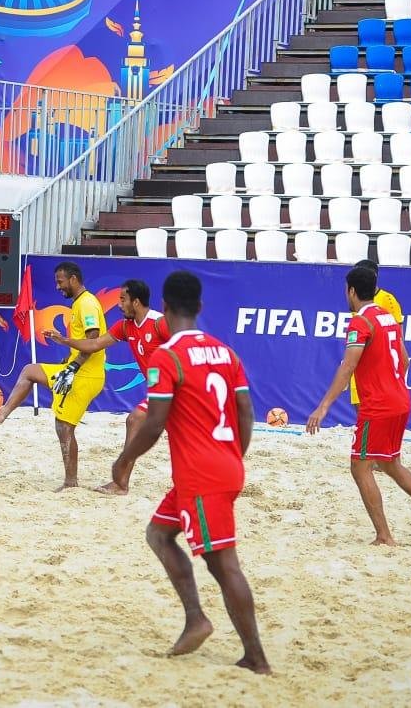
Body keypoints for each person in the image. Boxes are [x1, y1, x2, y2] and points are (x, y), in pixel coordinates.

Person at [110, 271, 270, 673]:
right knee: (158, 534)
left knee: (223, 565)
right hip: (221, 465)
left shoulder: (167, 356)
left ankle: (256, 658)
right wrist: (234, 456)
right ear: (199, 307)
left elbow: (154, 423)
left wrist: (124, 460)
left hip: (201, 474)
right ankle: (195, 619)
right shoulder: (225, 352)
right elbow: (246, 412)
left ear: (164, 307)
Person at [307, 266, 411, 547]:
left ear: (351, 291)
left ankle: (384, 535)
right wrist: (390, 384)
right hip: (400, 400)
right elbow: (405, 360)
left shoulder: (360, 322)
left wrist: (323, 407)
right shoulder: (386, 317)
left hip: (379, 405)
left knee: (359, 466)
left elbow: (347, 367)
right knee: (389, 462)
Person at [0, 261, 106, 490]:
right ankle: (2, 414)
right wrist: (66, 356)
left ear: (74, 279)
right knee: (29, 371)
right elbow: (81, 343)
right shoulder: (79, 302)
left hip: (86, 375)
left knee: (64, 426)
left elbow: (93, 340)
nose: (57, 287)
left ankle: (71, 483)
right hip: (76, 368)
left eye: (60, 282)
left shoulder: (87, 304)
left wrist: (73, 367)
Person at [44, 278, 170, 495]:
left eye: (123, 299)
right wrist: (65, 340)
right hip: (161, 391)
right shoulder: (125, 326)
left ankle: (121, 483)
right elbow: (95, 344)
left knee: (140, 422)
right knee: (136, 422)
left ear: (136, 302)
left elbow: (187, 347)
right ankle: (121, 484)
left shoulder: (159, 323)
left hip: (179, 388)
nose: (119, 304)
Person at [349, 259, 403, 411]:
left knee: (373, 413)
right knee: (361, 412)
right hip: (360, 365)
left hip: (379, 369)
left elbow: (398, 338)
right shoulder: (356, 299)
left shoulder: (387, 299)